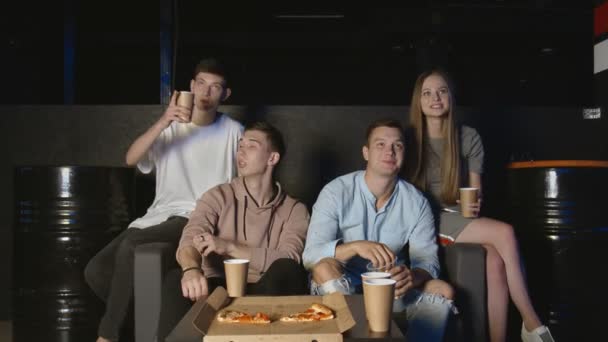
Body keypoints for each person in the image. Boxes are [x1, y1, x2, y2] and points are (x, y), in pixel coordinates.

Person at [84, 57, 243, 342]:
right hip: (159, 215)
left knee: (133, 246)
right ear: (191, 86)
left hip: (198, 218)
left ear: (225, 95)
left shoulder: (234, 131)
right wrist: (163, 120)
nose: (206, 93)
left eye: (215, 87)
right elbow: (131, 159)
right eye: (202, 84)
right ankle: (142, 318)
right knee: (96, 270)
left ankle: (108, 336)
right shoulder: (170, 127)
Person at [405, 69, 555, 342]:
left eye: (442, 91)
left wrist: (474, 205)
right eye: (427, 93)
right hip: (426, 218)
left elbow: (475, 191)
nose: (435, 98)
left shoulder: (468, 136)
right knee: (505, 232)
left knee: (495, 260)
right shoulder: (409, 140)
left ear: (451, 96)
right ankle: (532, 323)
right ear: (419, 101)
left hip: (457, 214)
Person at [302, 119, 455, 342]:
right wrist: (356, 247)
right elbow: (310, 256)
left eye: (397, 146)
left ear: (404, 154)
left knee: (442, 289)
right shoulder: (336, 191)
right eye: (380, 144)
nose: (389, 151)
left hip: (392, 291)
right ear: (366, 152)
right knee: (324, 267)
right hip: (344, 289)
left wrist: (411, 276)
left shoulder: (416, 201)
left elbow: (428, 262)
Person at [156, 121, 310, 340]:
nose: (241, 152)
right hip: (214, 290)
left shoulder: (295, 210)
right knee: (175, 279)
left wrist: (228, 246)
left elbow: (289, 257)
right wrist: (190, 268)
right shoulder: (217, 196)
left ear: (272, 158)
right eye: (240, 145)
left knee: (287, 269)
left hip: (264, 291)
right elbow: (191, 237)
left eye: (252, 146)